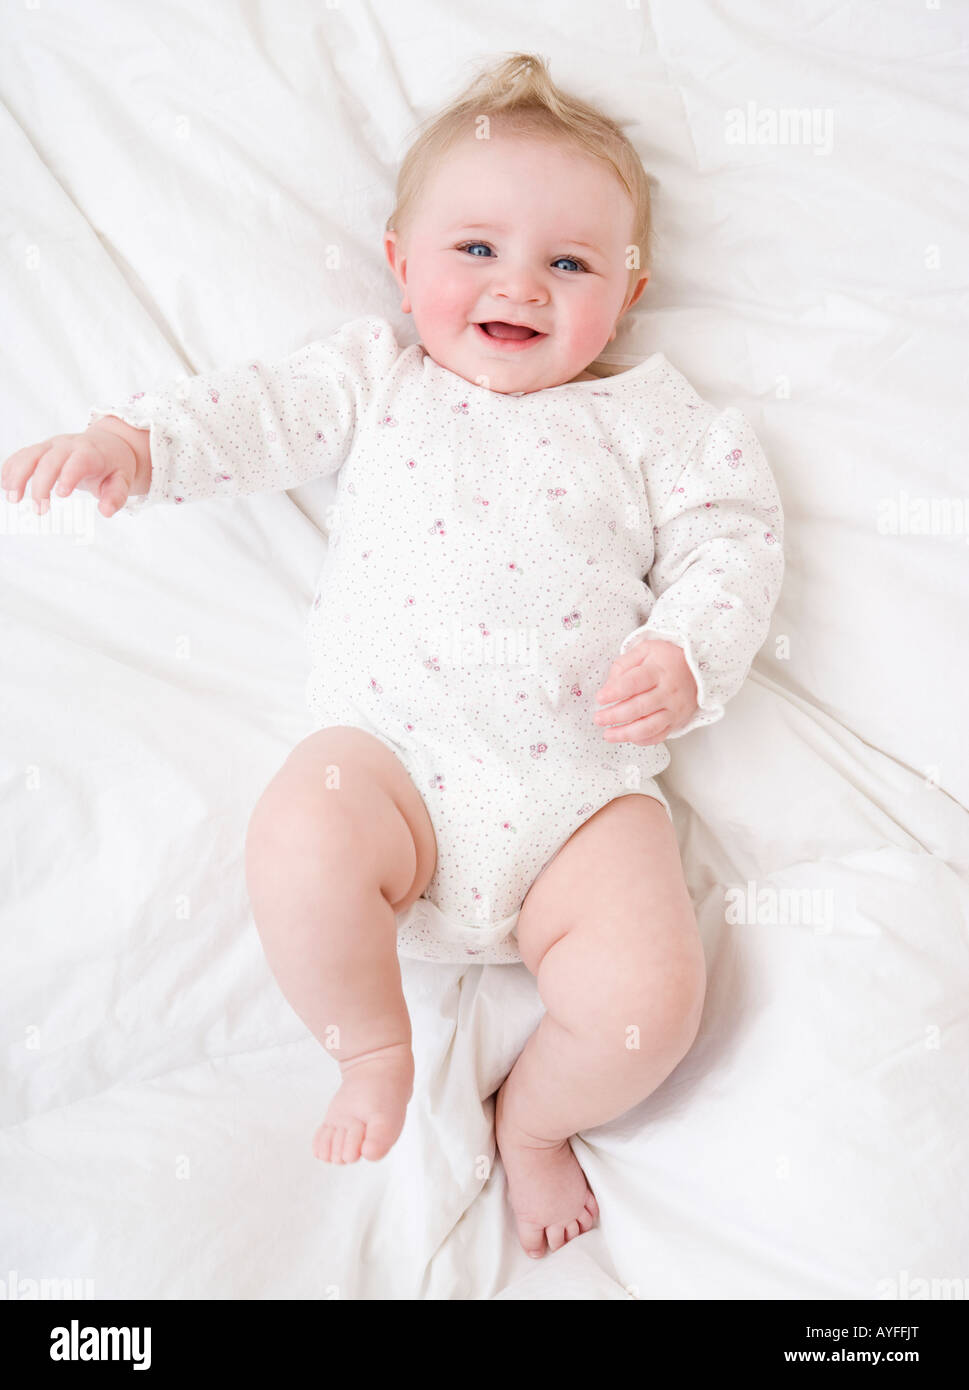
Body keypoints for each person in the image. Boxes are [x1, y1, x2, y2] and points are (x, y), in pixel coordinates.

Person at [1, 52, 784, 1261]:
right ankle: (372, 1045)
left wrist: (688, 651)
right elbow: (252, 414)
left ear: (627, 292)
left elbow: (733, 541)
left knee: (649, 1005)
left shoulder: (654, 420)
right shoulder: (377, 381)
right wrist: (133, 444)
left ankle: (531, 1119)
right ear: (399, 262)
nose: (518, 282)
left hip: (581, 806)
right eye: (475, 248)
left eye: (568, 263)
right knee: (297, 827)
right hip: (394, 774)